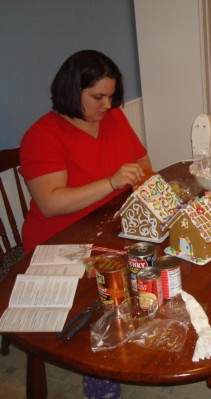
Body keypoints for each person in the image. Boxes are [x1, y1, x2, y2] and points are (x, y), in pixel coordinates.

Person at [19, 50, 152, 399]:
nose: (107, 105)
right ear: (71, 89)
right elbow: (50, 203)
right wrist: (111, 182)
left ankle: (134, 336)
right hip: (57, 245)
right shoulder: (42, 135)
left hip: (105, 227)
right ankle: (100, 372)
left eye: (111, 96)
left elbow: (143, 164)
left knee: (153, 264)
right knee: (112, 289)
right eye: (98, 97)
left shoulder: (114, 119)